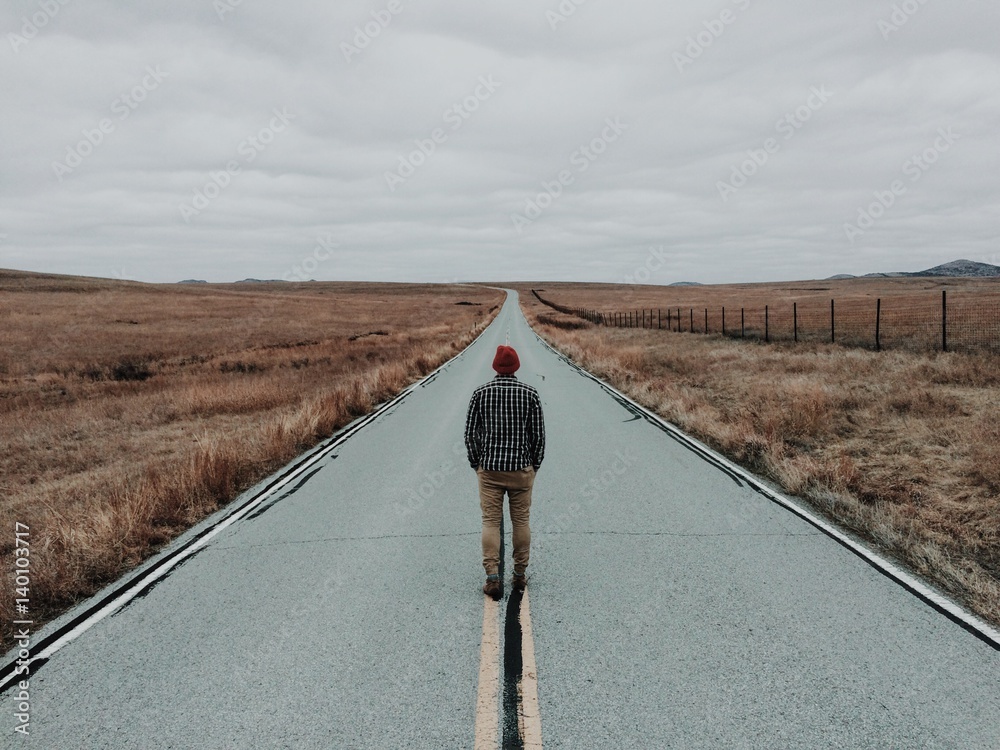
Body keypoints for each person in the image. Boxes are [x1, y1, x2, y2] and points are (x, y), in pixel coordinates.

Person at [464, 344, 545, 600]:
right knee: (520, 521)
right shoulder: (530, 394)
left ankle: (492, 578)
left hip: (490, 470)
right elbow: (538, 437)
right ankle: (519, 575)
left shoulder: (480, 394)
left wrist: (476, 463)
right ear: (516, 367)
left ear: (495, 367)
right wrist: (534, 465)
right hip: (521, 469)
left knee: (490, 522)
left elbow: (470, 435)